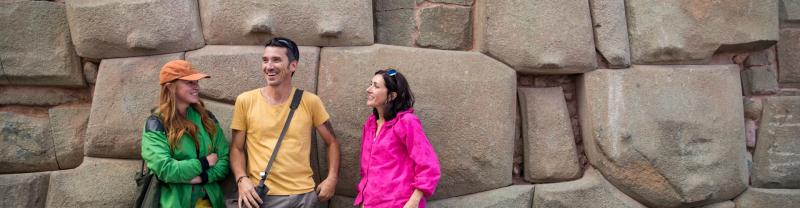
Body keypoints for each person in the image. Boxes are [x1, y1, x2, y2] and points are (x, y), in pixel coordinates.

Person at [230, 37, 340, 208]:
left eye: (276, 60)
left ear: (293, 65)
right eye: (265, 60)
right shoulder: (245, 101)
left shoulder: (311, 101)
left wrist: (332, 178)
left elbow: (332, 142)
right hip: (261, 197)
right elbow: (237, 148)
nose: (269, 66)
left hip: (303, 197)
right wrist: (241, 179)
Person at [141, 60, 230, 208]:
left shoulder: (207, 119)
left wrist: (203, 177)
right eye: (190, 82)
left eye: (197, 82)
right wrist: (205, 163)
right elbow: (166, 169)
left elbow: (224, 160)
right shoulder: (156, 123)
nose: (197, 87)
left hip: (211, 202)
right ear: (170, 87)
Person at [356, 69, 441, 208]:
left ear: (391, 96)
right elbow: (367, 169)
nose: (368, 89)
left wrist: (413, 203)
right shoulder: (370, 124)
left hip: (399, 204)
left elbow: (429, 165)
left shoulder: (407, 122)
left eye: (376, 86)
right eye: (370, 84)